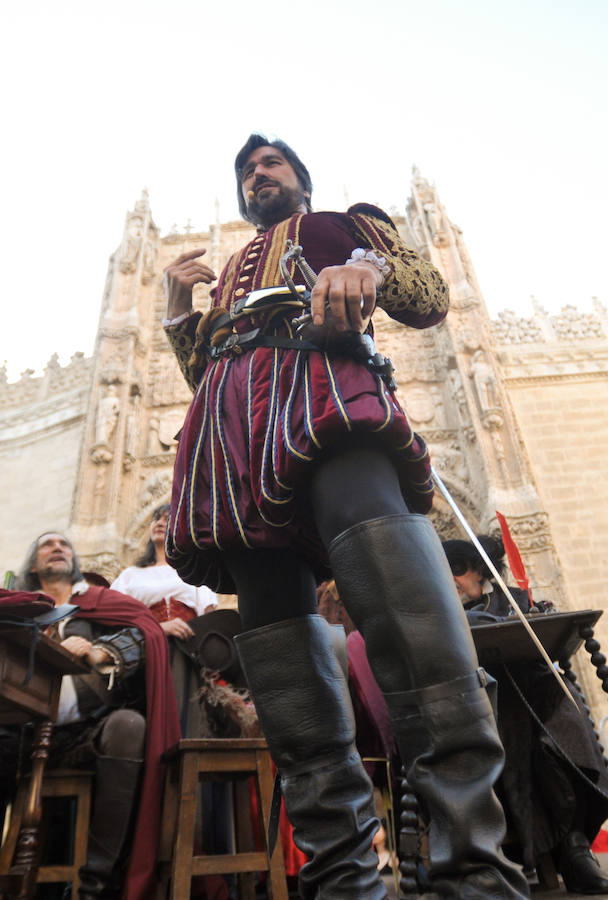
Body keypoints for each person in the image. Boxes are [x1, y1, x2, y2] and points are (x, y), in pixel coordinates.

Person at [162, 133, 529, 899]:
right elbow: (207, 371)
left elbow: (426, 298)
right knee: (274, 631)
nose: (257, 175)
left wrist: (364, 267)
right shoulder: (231, 267)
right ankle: (341, 881)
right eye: (245, 171)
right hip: (235, 431)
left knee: (403, 607)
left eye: (271, 164)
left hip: (328, 392)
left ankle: (473, 874)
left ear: (300, 178)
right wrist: (178, 309)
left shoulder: (346, 222)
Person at [2, 531, 180, 899]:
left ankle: (93, 887)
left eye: (64, 545)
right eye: (46, 544)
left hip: (82, 733)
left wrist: (103, 651)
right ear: (34, 565)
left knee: (129, 726)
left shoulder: (101, 602)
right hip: (18, 735)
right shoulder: (17, 608)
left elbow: (143, 632)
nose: (56, 548)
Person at [442, 536, 608, 895]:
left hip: (538, 699)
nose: (454, 581)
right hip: (485, 710)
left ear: (475, 568)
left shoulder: (518, 600)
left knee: (558, 713)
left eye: (458, 571)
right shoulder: (447, 612)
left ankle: (574, 845)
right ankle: (570, 847)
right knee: (524, 730)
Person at [111, 503, 218, 735]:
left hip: (191, 650)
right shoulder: (130, 576)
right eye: (156, 519)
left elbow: (211, 620)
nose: (159, 523)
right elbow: (115, 621)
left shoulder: (195, 573)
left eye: (167, 519)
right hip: (146, 648)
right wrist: (159, 629)